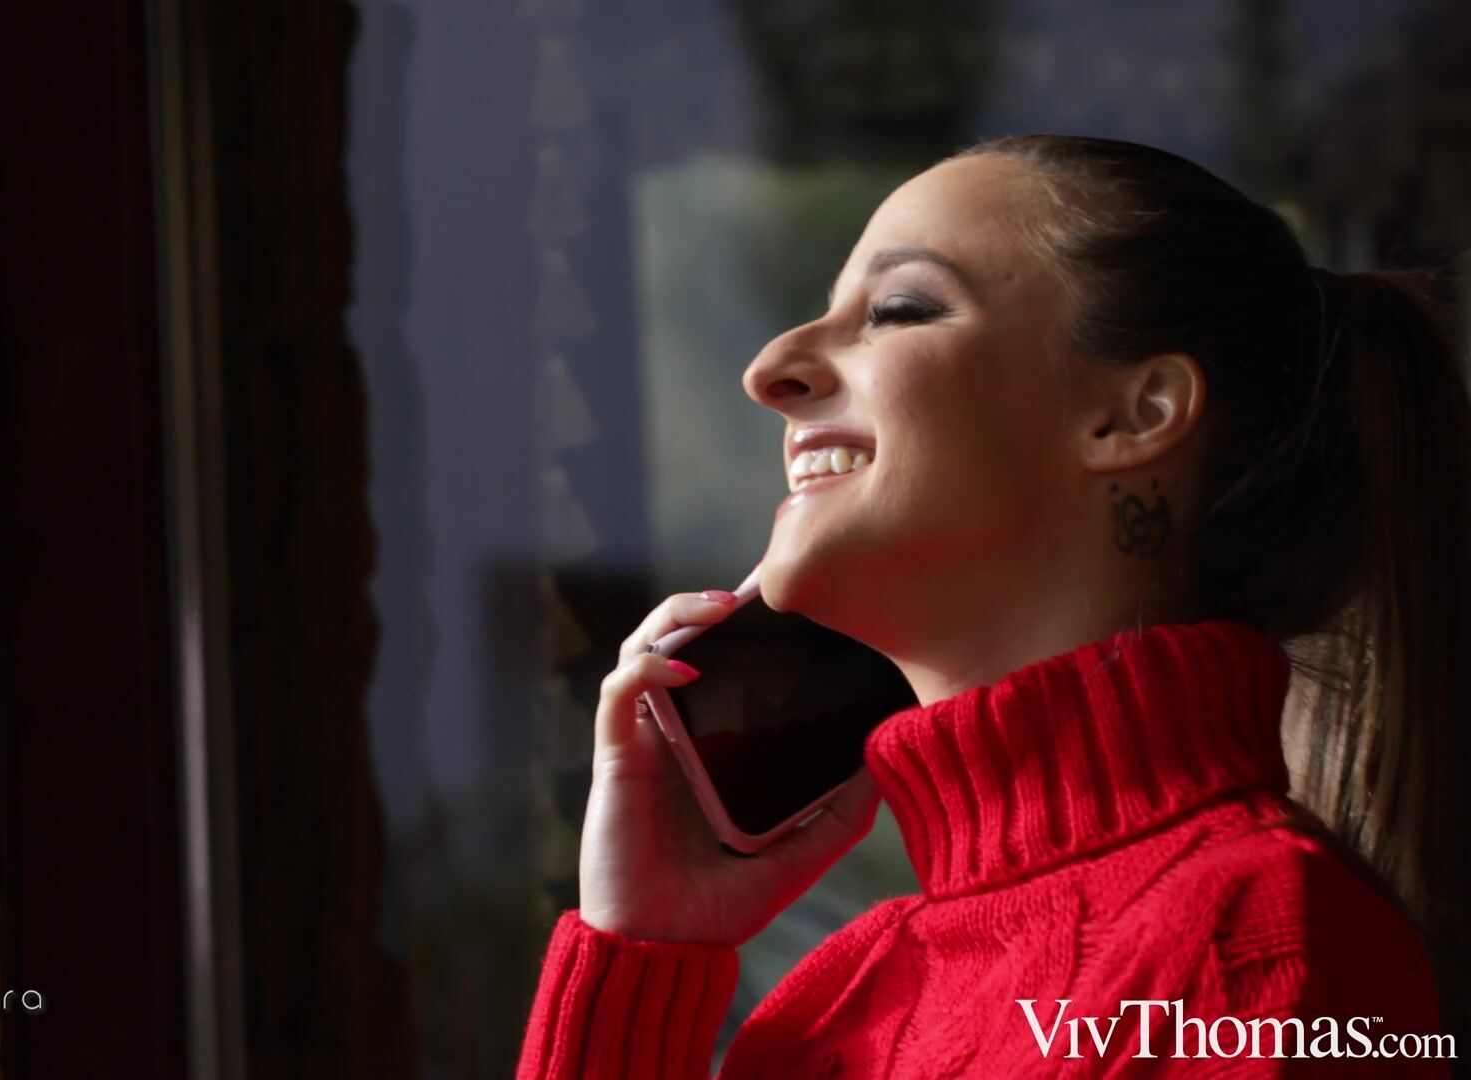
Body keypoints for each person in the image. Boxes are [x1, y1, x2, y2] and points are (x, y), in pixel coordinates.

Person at [517, 134, 1468, 1077]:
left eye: (897, 309)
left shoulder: (1257, 949)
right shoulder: (839, 997)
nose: (769, 369)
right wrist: (644, 952)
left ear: (1136, 413)